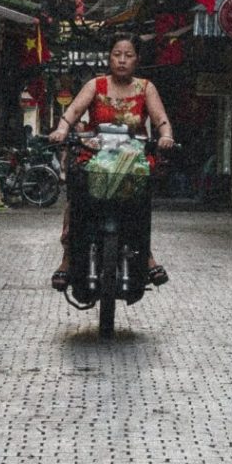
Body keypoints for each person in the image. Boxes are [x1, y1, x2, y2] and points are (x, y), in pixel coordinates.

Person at [48, 35, 175, 290]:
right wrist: (62, 129)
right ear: (109, 57)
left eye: (128, 55)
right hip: (95, 155)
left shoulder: (146, 88)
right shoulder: (96, 85)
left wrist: (166, 136)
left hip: (132, 160)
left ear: (137, 59)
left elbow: (161, 119)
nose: (122, 60)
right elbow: (72, 112)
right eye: (117, 54)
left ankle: (146, 255)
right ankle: (67, 258)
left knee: (140, 206)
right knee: (77, 198)